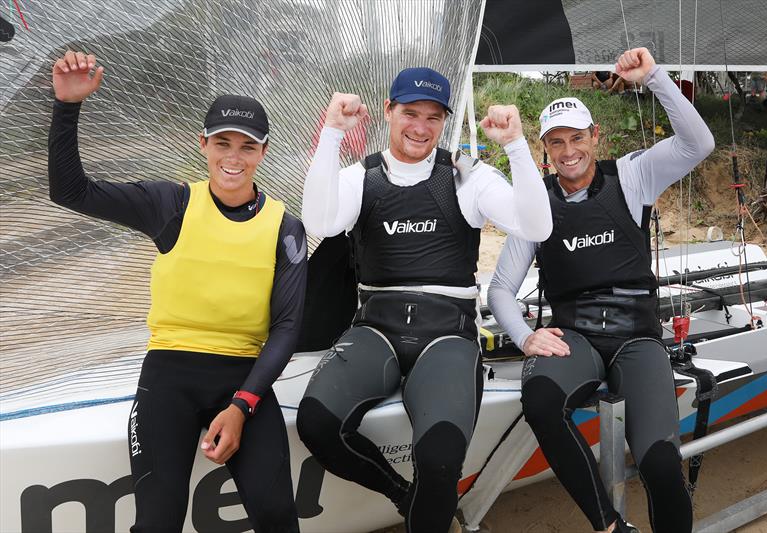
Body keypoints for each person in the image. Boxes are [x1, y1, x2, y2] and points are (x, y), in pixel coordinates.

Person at [49, 50, 305, 532]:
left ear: (263, 152)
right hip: (168, 375)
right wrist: (67, 107)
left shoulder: (285, 227)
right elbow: (70, 192)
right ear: (202, 144)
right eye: (222, 143)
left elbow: (288, 327)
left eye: (247, 147)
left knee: (277, 517)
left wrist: (241, 405)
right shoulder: (170, 204)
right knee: (159, 522)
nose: (233, 157)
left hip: (245, 380)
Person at [296, 67, 552, 532]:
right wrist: (332, 134)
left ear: (444, 123)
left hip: (447, 335)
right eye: (410, 112)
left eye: (433, 117)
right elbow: (320, 221)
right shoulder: (363, 178)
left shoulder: (467, 179)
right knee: (316, 424)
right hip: (376, 329)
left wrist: (516, 145)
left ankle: (427, 503)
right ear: (389, 113)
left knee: (439, 460)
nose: (420, 126)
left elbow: (536, 228)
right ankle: (402, 495)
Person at [488, 47, 714, 533]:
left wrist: (654, 77)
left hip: (637, 335)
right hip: (577, 337)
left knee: (658, 464)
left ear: (596, 136)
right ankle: (608, 524)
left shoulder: (632, 174)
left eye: (577, 138)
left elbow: (698, 144)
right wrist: (526, 336)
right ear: (544, 149)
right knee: (542, 403)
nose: (569, 152)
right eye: (556, 143)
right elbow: (502, 289)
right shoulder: (537, 203)